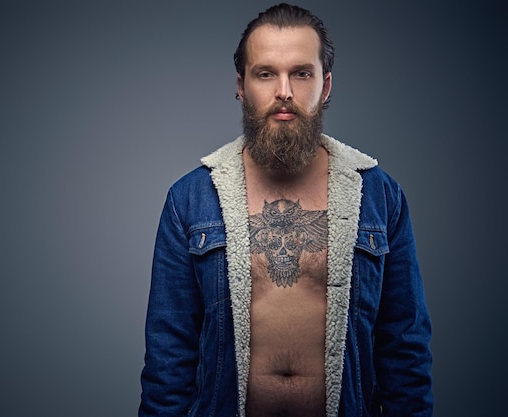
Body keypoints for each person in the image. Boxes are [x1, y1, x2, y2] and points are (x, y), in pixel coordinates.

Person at [139, 3, 433, 417]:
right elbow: (169, 356)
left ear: (325, 86)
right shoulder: (190, 198)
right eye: (265, 74)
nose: (284, 91)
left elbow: (405, 349)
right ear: (241, 85)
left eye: (301, 73)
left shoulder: (378, 195)